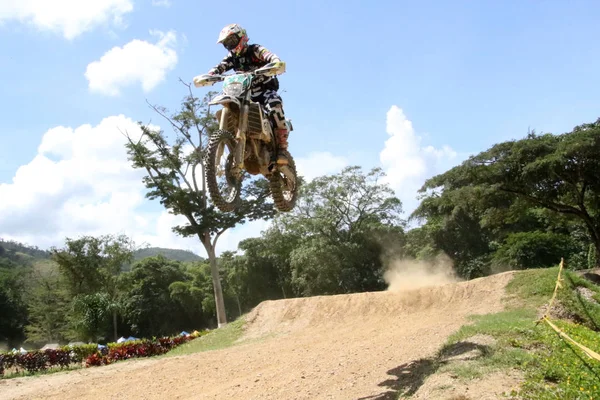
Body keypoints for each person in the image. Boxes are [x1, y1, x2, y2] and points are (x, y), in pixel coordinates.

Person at [207, 23, 290, 165]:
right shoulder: (231, 57)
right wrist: (210, 75)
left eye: (231, 41)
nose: (230, 46)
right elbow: (220, 67)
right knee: (230, 105)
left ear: (242, 37)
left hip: (264, 90)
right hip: (245, 93)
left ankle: (282, 146)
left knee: (274, 102)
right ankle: (238, 141)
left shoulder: (255, 50)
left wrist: (275, 63)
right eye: (226, 44)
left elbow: (269, 56)